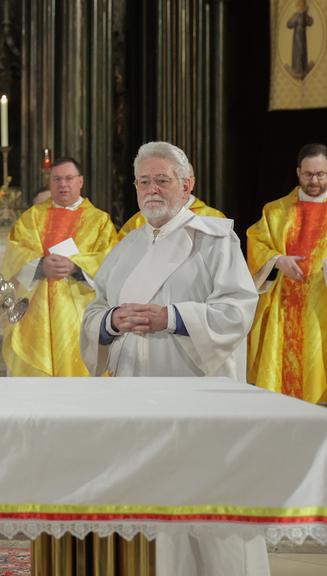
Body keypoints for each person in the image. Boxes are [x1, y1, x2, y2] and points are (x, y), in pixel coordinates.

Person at [80, 141, 263, 576]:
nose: (152, 190)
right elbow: (94, 310)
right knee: (150, 501)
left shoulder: (215, 239)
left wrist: (173, 318)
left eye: (162, 180)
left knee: (206, 499)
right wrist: (110, 322)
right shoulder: (126, 246)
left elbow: (238, 310)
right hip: (134, 395)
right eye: (144, 181)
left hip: (197, 394)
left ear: (187, 184)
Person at [247, 143, 327, 403]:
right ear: (297, 172)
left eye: (320, 174)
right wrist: (277, 260)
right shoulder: (276, 211)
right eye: (307, 174)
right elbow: (256, 242)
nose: (314, 181)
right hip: (284, 309)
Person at [1, 157, 118, 377]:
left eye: (68, 178)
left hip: (81, 313)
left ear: (80, 181)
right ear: (50, 182)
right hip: (37, 314)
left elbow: (110, 260)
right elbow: (15, 253)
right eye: (56, 179)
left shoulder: (99, 221)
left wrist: (77, 266)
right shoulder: (32, 218)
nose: (63, 184)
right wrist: (40, 265)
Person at [118, 163, 225, 237]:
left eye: (163, 181)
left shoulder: (212, 217)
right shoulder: (140, 219)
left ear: (188, 184)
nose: (154, 188)